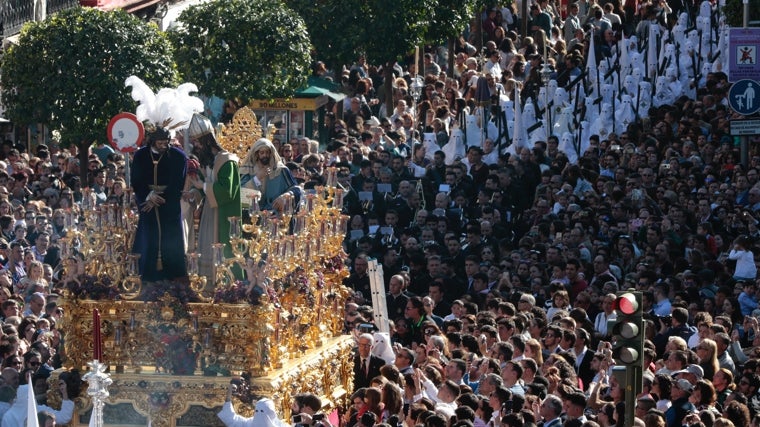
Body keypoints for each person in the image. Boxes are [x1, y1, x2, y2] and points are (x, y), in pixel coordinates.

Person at [186, 113, 242, 280]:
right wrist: (193, 194)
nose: (195, 146)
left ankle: (227, 288)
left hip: (223, 216)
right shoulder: (208, 161)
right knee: (206, 247)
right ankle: (207, 287)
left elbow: (227, 191)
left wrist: (201, 186)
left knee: (223, 253)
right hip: (209, 214)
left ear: (207, 141)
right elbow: (202, 186)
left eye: (197, 142)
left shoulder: (227, 161)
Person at [130, 126, 188, 282]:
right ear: (152, 141)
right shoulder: (140, 155)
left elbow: (178, 183)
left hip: (169, 207)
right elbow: (136, 180)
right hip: (147, 204)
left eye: (166, 142)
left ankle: (173, 281)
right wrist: (148, 196)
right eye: (160, 142)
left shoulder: (178, 156)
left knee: (171, 243)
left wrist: (162, 198)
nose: (164, 146)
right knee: (148, 240)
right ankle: (147, 279)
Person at [239, 138, 302, 212]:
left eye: (267, 152)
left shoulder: (281, 170)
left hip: (276, 215)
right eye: (262, 153)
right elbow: (240, 195)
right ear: (256, 154)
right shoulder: (247, 170)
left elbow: (296, 189)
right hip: (253, 216)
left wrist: (286, 196)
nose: (265, 155)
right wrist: (257, 178)